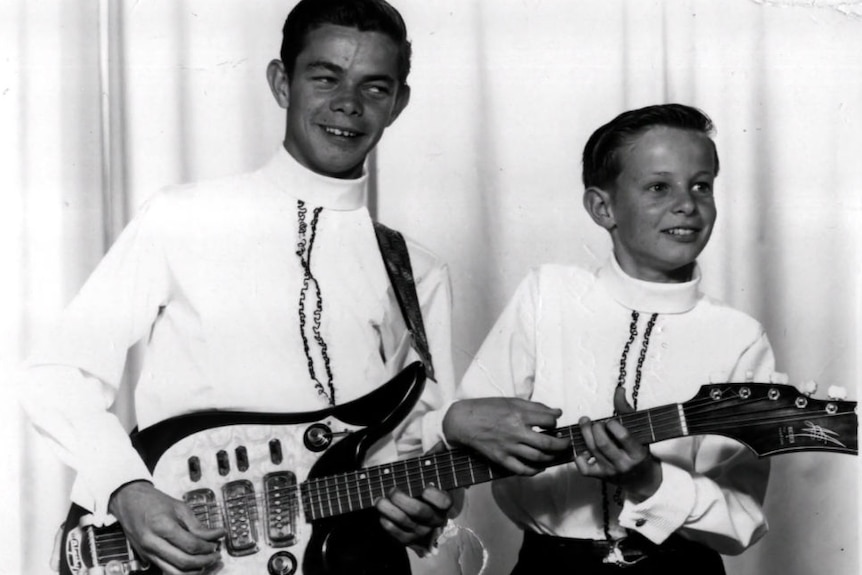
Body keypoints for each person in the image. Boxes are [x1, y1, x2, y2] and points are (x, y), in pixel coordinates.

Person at [16, 0, 456, 573]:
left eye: (375, 88)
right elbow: (58, 371)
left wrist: (431, 512)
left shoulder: (417, 269)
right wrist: (125, 488)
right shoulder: (183, 217)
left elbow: (424, 446)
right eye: (325, 77)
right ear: (281, 82)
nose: (348, 104)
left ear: (399, 103)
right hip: (200, 553)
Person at [442, 104, 775, 573]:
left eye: (701, 185)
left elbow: (742, 520)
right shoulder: (546, 294)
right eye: (659, 187)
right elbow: (469, 436)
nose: (687, 203)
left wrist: (652, 482)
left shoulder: (739, 337)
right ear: (603, 207)